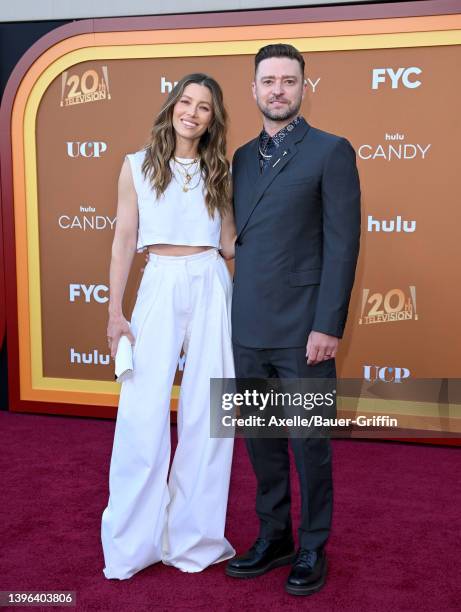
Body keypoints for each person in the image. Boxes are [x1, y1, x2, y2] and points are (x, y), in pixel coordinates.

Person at [225, 44, 361, 596]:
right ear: (253, 89)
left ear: (304, 86)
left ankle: (311, 545)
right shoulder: (238, 158)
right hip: (248, 325)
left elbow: (343, 244)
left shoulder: (331, 151)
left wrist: (328, 325)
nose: (277, 89)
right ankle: (274, 535)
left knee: (309, 442)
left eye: (287, 80)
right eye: (268, 80)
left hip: (306, 329)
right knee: (260, 440)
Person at [101, 73, 237, 580]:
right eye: (186, 101)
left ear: (212, 118)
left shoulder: (220, 169)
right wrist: (116, 312)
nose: (193, 112)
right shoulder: (135, 166)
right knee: (142, 415)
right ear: (172, 106)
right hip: (157, 282)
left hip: (210, 284)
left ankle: (195, 541)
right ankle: (132, 547)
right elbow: (123, 239)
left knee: (210, 413)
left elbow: (229, 243)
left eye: (204, 107)